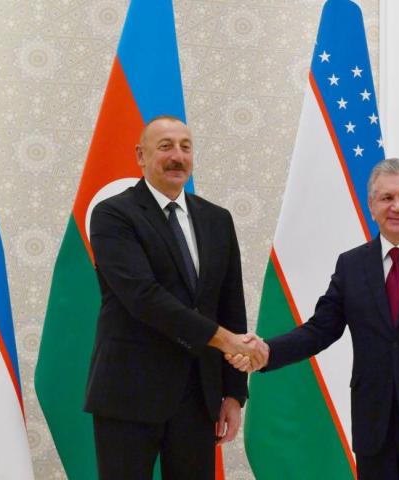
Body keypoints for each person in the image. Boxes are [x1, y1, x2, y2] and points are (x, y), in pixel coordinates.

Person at [231, 158, 399, 480]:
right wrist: (267, 351)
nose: (397, 206)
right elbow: (321, 329)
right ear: (372, 205)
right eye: (386, 198)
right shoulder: (352, 265)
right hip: (375, 428)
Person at [84, 115, 267, 480]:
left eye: (186, 147)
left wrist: (234, 393)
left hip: (198, 396)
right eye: (165, 146)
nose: (177, 156)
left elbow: (229, 303)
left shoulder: (218, 219)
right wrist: (226, 340)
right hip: (129, 392)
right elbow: (143, 297)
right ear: (141, 155)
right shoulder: (113, 215)